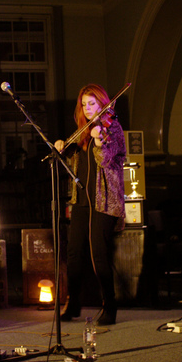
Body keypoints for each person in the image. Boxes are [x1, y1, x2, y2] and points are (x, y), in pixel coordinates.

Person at [55, 83, 126, 325]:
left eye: (92, 103)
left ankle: (110, 306)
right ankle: (73, 302)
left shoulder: (112, 129)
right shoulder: (83, 131)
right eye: (84, 104)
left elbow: (105, 161)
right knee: (74, 252)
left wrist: (99, 141)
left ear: (103, 103)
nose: (87, 108)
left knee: (99, 254)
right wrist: (62, 147)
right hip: (82, 199)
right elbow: (73, 161)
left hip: (105, 200)